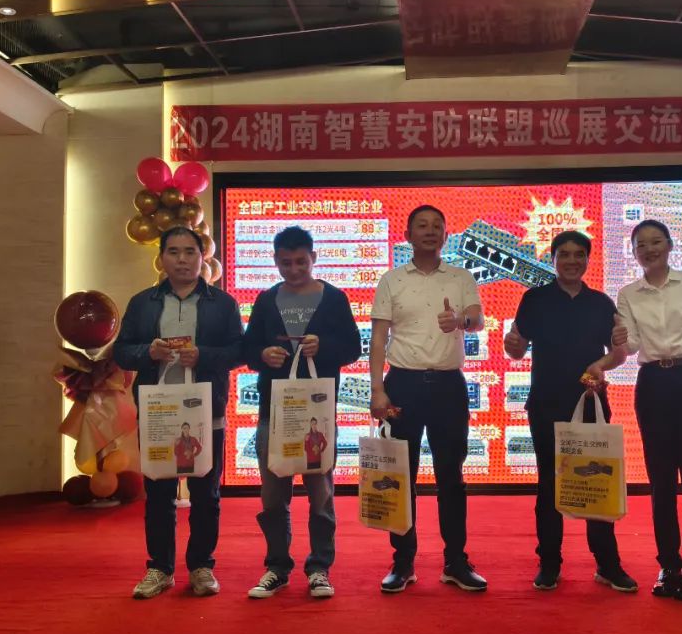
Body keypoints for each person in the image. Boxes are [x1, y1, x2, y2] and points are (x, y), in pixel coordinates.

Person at [602, 219, 682, 603]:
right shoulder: (628, 293)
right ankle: (669, 565)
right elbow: (632, 346)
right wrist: (618, 340)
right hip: (653, 384)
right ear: (633, 252)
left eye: (656, 241)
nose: (649, 249)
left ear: (670, 245)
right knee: (660, 481)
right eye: (641, 245)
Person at [113, 225, 243, 599]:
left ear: (202, 258)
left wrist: (204, 356)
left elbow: (239, 352)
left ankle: (201, 566)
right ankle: (160, 568)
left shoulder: (223, 304)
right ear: (162, 258)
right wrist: (147, 353)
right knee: (158, 494)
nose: (182, 260)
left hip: (206, 411)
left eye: (190, 252)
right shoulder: (143, 303)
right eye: (174, 252)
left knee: (206, 494)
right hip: (159, 412)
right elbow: (121, 352)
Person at [505, 231, 637, 593]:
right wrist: (511, 345)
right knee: (549, 484)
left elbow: (619, 354)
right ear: (553, 259)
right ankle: (549, 563)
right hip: (545, 404)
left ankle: (607, 564)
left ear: (587, 260)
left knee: (597, 481)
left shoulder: (601, 303)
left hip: (590, 402)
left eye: (579, 255)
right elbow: (517, 350)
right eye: (564, 254)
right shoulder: (534, 300)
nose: (572, 261)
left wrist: (602, 364)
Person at [369, 205, 487, 593]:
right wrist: (377, 389)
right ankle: (403, 562)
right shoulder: (392, 280)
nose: (430, 231)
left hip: (448, 386)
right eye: (422, 225)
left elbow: (477, 319)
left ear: (446, 236)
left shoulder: (460, 277)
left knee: (451, 476)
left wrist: (460, 322)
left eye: (437, 226)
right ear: (408, 235)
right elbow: (378, 340)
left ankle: (456, 560)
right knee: (400, 476)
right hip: (402, 384)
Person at [241, 225, 360, 599]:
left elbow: (353, 348)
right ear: (275, 261)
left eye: (300, 262)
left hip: (317, 413)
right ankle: (277, 567)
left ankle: (320, 567)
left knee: (321, 494)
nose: (293, 269)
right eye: (286, 263)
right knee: (273, 495)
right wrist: (263, 355)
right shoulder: (266, 300)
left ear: (314, 259)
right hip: (273, 414)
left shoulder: (334, 298)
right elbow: (247, 350)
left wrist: (324, 346)